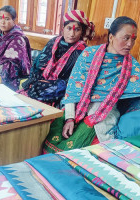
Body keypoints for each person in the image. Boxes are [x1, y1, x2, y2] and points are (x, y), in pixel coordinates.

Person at [43, 16, 140, 153]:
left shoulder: (132, 66)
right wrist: (70, 118)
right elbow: (73, 89)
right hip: (77, 112)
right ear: (111, 37)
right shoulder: (88, 54)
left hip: (105, 118)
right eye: (126, 38)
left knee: (82, 156)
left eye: (133, 39)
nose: (130, 44)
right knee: (56, 147)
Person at [20, 10, 95, 107]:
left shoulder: (83, 51)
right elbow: (38, 65)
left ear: (82, 32)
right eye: (69, 28)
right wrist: (35, 81)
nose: (72, 34)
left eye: (77, 29)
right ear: (63, 29)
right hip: (42, 84)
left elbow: (76, 80)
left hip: (61, 89)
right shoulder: (54, 41)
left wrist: (49, 86)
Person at [0, 5, 31, 90]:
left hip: (10, 77)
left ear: (14, 20)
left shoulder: (18, 39)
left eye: (7, 19)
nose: (2, 22)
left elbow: (11, 67)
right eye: (0, 18)